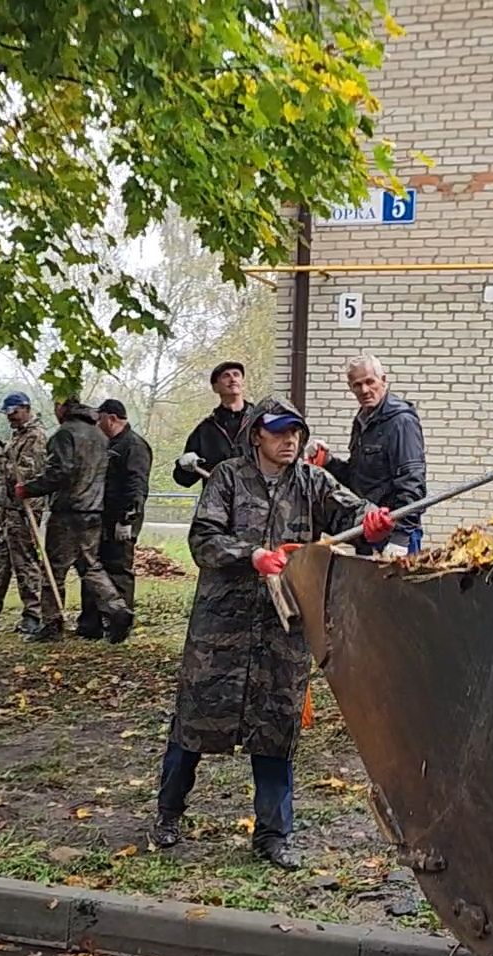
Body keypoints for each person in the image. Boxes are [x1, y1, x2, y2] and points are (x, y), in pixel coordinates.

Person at [152, 396, 394, 870]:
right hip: (221, 628)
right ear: (256, 435)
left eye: (295, 432)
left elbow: (355, 513)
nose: (289, 440)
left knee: (275, 728)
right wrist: (252, 555)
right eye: (279, 432)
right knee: (194, 721)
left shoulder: (311, 482)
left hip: (282, 630)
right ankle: (167, 813)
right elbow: (203, 539)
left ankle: (273, 835)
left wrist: (373, 521)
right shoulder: (226, 478)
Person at [15, 399, 133, 643]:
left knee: (53, 570)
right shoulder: (99, 434)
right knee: (90, 566)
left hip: (68, 512)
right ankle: (117, 608)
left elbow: (60, 472)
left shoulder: (64, 434)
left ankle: (51, 623)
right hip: (93, 511)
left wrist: (29, 489)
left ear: (62, 407)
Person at [307, 355, 427, 556]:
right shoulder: (363, 421)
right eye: (357, 385)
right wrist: (328, 461)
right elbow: (357, 478)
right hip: (368, 530)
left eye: (370, 382)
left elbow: (412, 482)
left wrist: (401, 538)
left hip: (396, 534)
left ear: (383, 380)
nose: (364, 390)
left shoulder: (401, 422)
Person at [0, 392, 57, 634]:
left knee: (24, 561)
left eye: (14, 413)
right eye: (7, 414)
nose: (10, 418)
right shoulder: (18, 435)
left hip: (25, 511)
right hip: (8, 508)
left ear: (26, 409)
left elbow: (22, 475)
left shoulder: (36, 437)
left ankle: (32, 615)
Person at [81, 399, 152, 640]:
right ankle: (91, 624)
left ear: (111, 418)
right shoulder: (107, 444)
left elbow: (136, 485)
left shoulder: (134, 446)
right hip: (99, 517)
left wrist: (127, 518)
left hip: (121, 519)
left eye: (100, 417)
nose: (96, 422)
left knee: (118, 568)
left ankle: (119, 625)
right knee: (93, 567)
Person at [173, 360, 250, 487]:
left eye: (236, 375)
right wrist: (184, 466)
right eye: (226, 376)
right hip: (217, 503)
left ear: (242, 383)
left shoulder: (260, 423)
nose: (232, 379)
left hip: (257, 502)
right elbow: (184, 480)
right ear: (215, 387)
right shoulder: (205, 430)